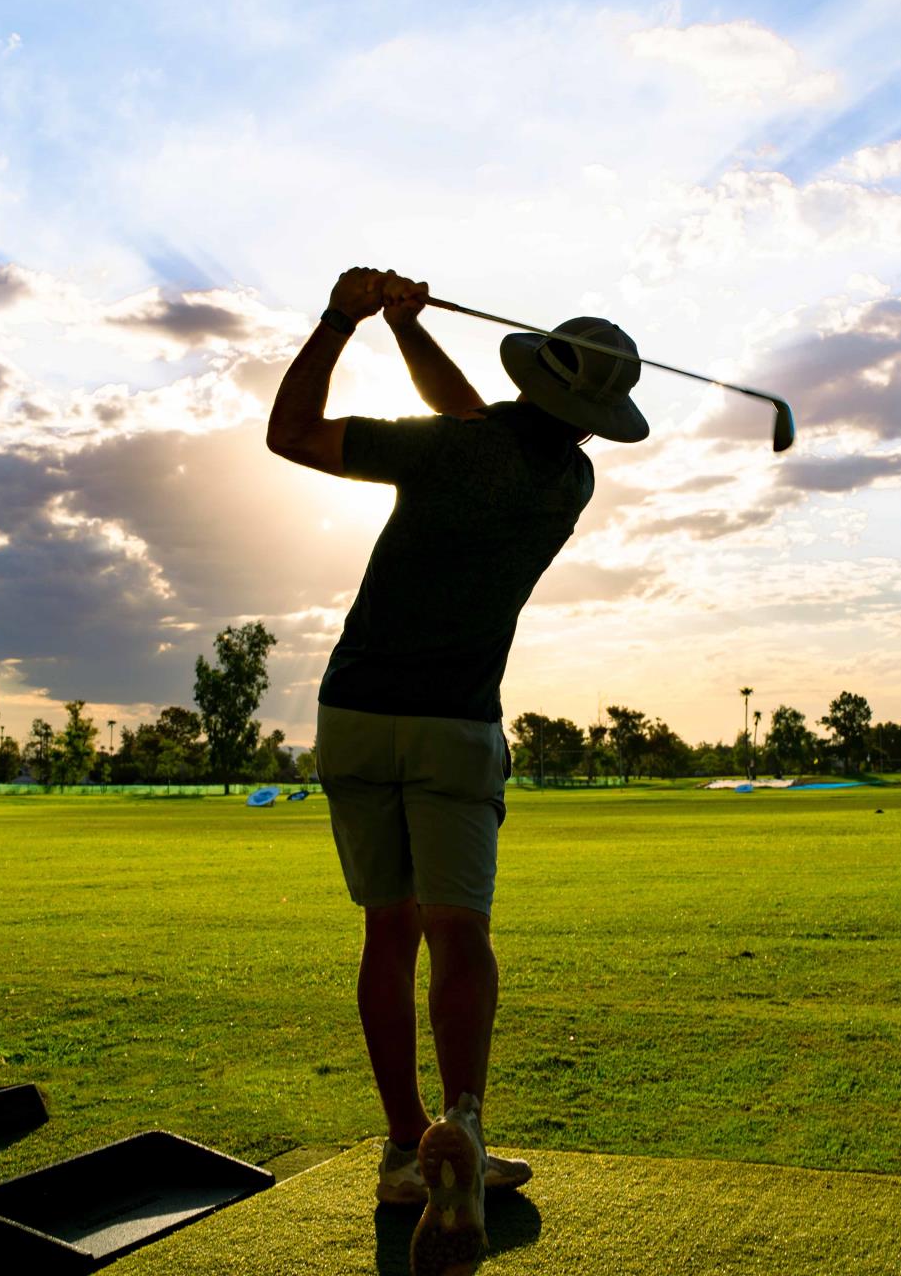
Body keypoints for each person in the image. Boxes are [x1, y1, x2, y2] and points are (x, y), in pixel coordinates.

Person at [266, 267, 648, 1275]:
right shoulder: (569, 479)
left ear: (536, 371)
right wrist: (408, 331)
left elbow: (292, 433)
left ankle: (405, 1147)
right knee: (460, 930)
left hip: (355, 711)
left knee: (386, 930)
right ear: (597, 415)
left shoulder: (452, 448)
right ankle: (465, 1122)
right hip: (455, 726)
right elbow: (484, 423)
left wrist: (345, 319)